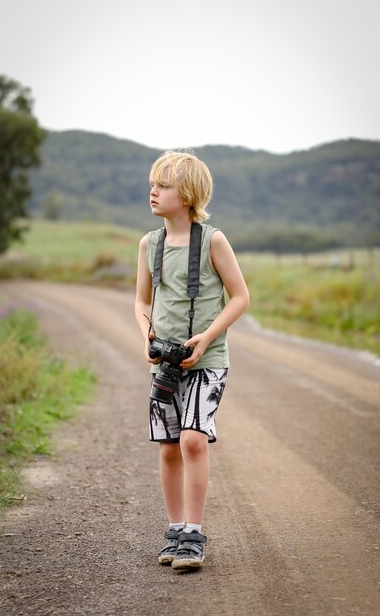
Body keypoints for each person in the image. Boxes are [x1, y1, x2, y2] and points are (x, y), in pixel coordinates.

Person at [134, 150, 249, 570]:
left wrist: (206, 339)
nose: (154, 191)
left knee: (192, 440)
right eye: (153, 183)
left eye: (163, 185)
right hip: (163, 363)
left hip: (208, 359)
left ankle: (194, 535)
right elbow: (142, 299)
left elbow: (240, 297)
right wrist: (145, 329)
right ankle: (175, 529)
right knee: (168, 449)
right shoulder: (149, 244)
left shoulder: (213, 240)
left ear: (187, 195)